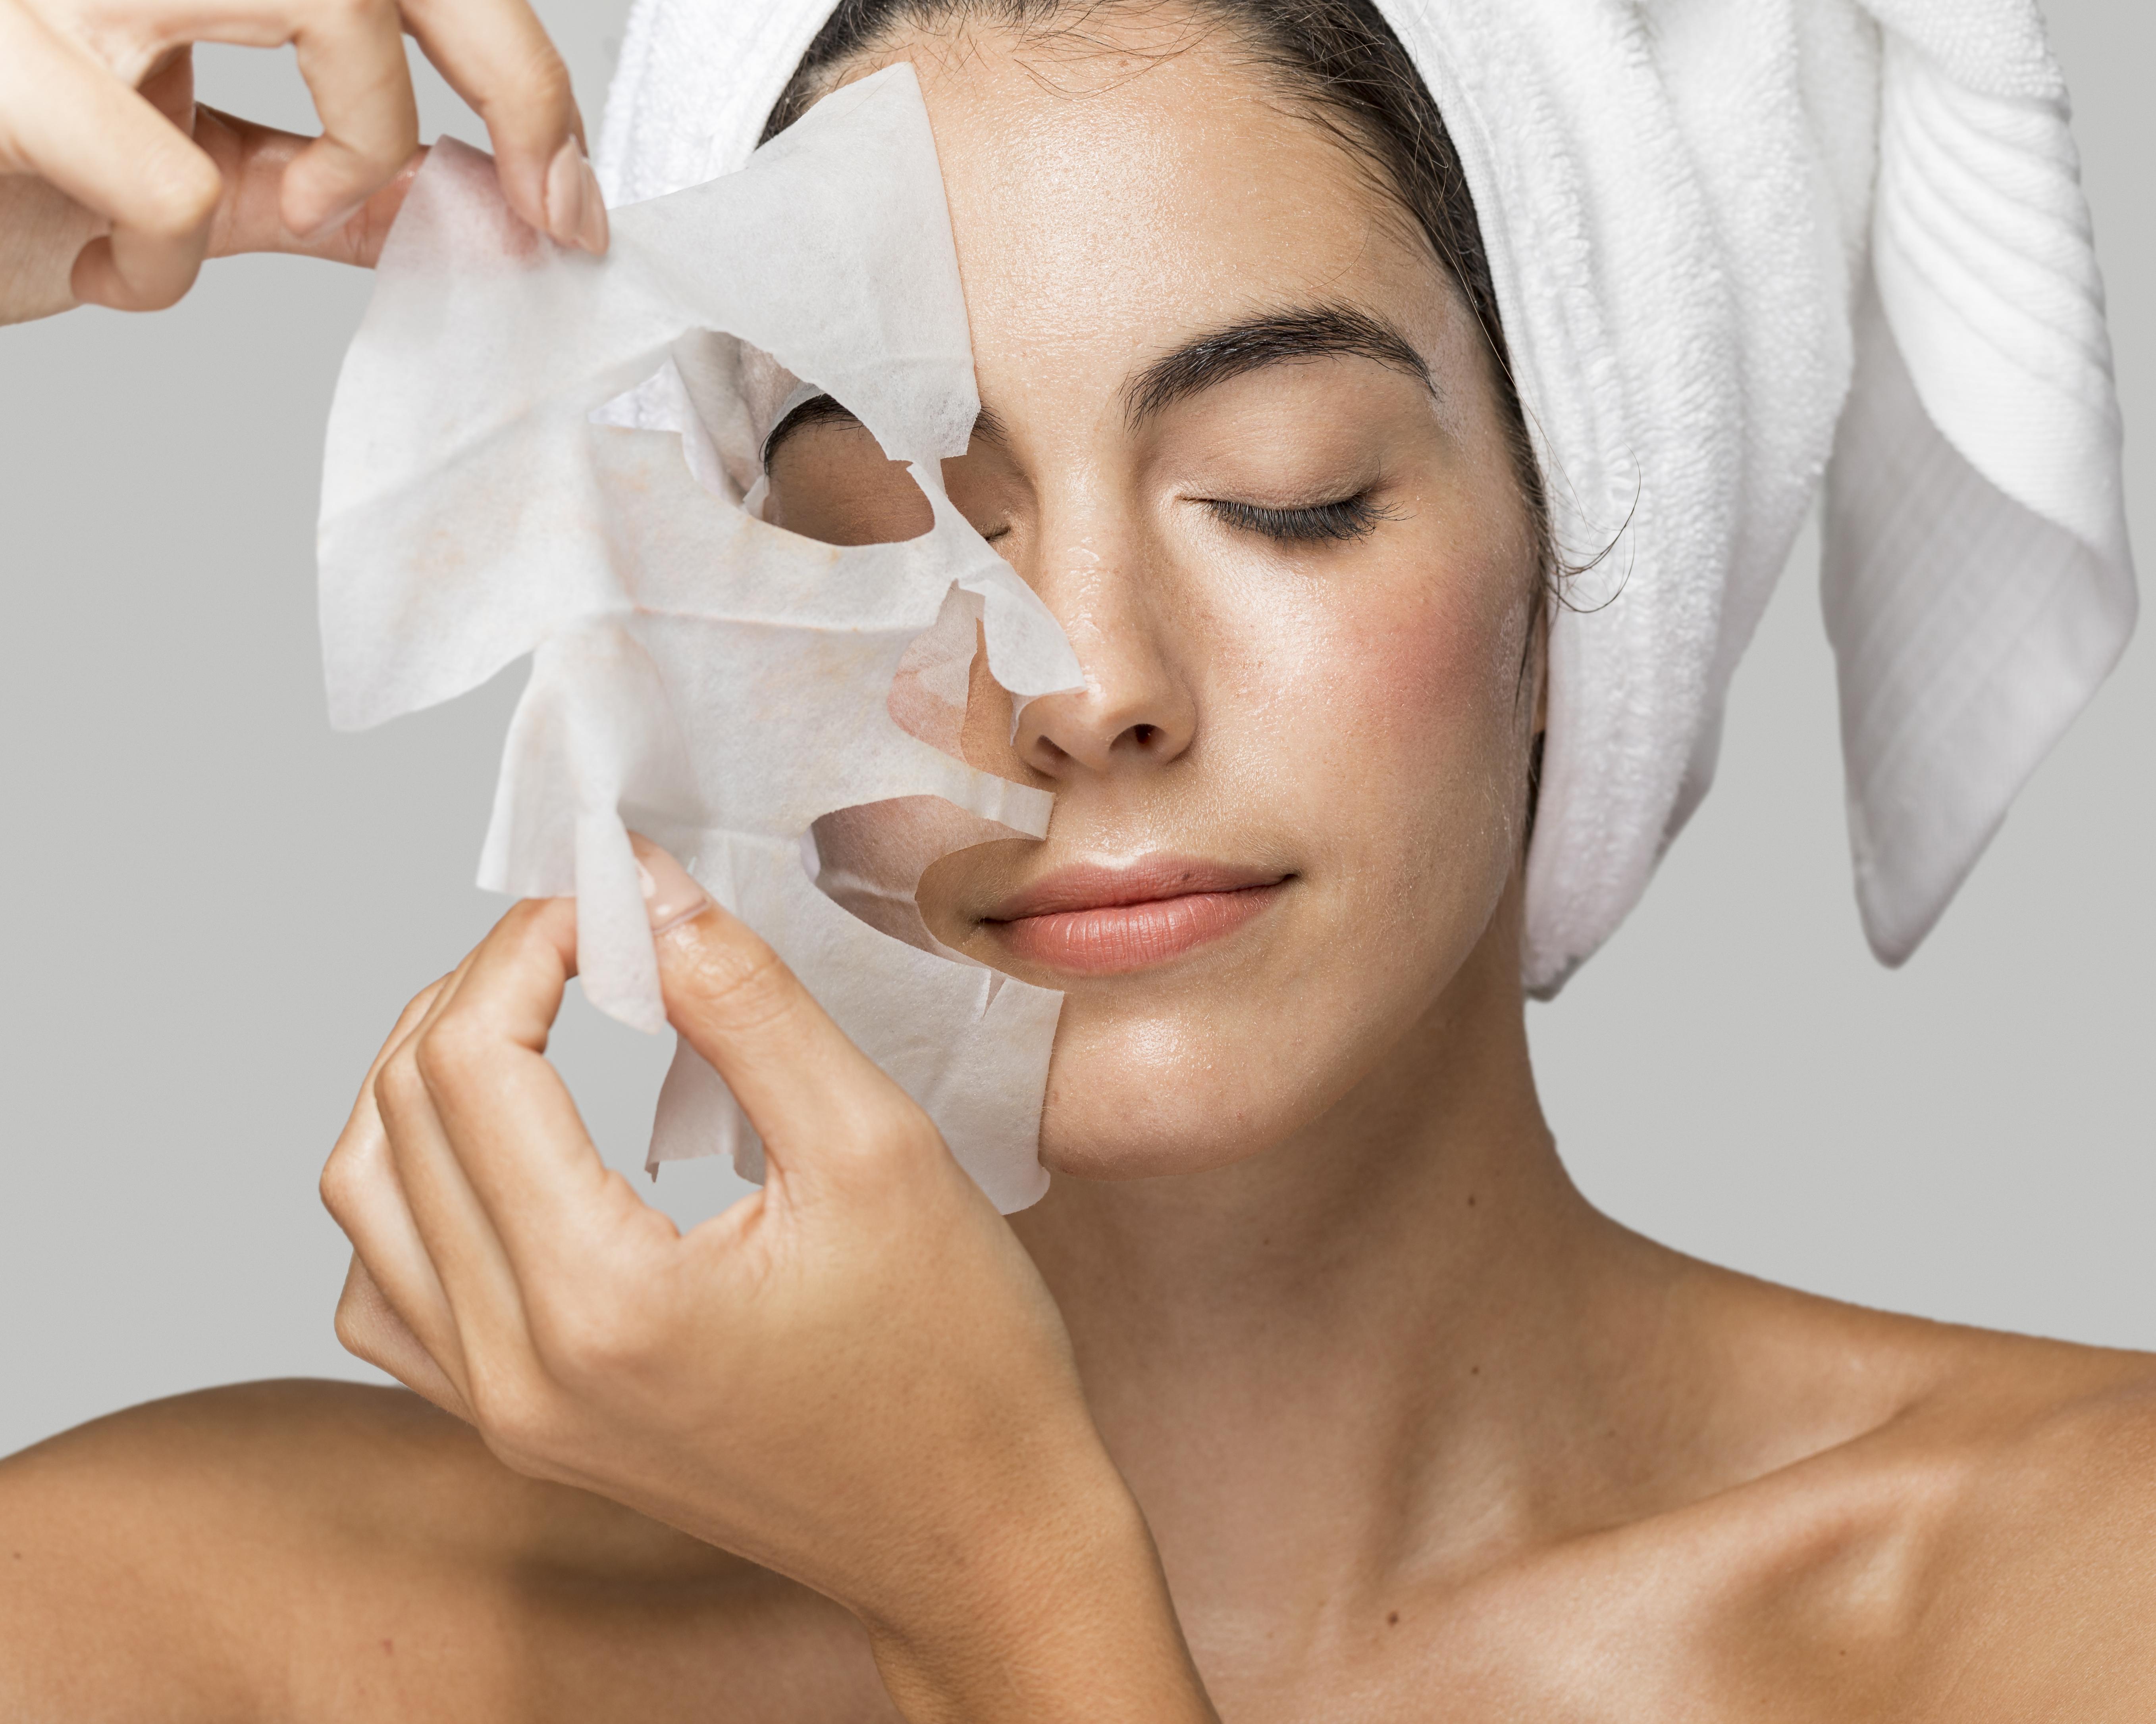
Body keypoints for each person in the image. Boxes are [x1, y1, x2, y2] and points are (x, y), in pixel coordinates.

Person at [1, 0, 2149, 1717]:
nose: (1087, 681)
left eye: (1289, 488)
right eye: (894, 501)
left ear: (1578, 574)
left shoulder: (2078, 1598)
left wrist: (1007, 1591)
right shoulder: (188, 1626)